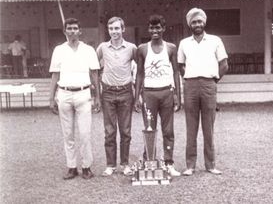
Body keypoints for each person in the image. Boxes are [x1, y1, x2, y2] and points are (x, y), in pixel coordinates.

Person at [177, 8, 228, 176]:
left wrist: (213, 81)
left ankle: (210, 164)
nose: (197, 24)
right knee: (191, 127)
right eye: (194, 22)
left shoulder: (215, 40)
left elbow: (224, 64)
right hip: (190, 85)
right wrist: (190, 79)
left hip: (209, 84)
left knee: (208, 127)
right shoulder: (184, 43)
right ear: (189, 24)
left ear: (204, 23)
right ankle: (190, 165)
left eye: (199, 21)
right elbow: (180, 66)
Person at [49, 18, 101, 180]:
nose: (72, 31)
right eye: (69, 28)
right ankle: (71, 167)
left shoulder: (88, 50)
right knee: (68, 134)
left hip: (83, 93)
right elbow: (55, 75)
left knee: (85, 133)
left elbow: (94, 74)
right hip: (64, 94)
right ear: (64, 31)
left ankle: (86, 167)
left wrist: (97, 96)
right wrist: (51, 98)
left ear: (80, 31)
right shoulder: (58, 50)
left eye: (75, 28)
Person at [134, 14, 181, 177]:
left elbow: (176, 72)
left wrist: (178, 95)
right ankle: (149, 161)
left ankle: (169, 163)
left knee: (168, 130)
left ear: (163, 28)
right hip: (149, 94)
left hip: (166, 92)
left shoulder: (171, 48)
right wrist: (136, 98)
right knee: (150, 129)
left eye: (158, 27)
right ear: (148, 29)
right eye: (152, 27)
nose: (155, 30)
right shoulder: (142, 48)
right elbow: (139, 74)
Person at [96, 16, 137, 176]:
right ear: (108, 30)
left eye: (117, 28)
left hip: (126, 92)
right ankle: (110, 165)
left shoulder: (131, 48)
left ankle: (125, 164)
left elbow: (140, 67)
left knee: (125, 131)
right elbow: (92, 65)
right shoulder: (102, 48)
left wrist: (137, 89)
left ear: (123, 29)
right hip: (108, 93)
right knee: (109, 131)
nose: (114, 32)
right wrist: (98, 82)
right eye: (111, 29)